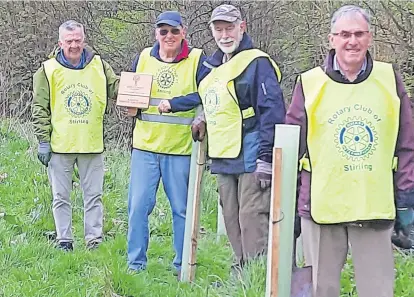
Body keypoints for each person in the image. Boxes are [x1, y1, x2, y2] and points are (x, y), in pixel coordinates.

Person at [285, 5, 414, 297]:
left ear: (370, 38)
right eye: (344, 34)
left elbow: (407, 143)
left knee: (378, 291)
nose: (351, 41)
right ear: (331, 39)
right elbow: (291, 145)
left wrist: (406, 198)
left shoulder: (389, 80)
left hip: (374, 205)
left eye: (358, 33)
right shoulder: (309, 84)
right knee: (320, 290)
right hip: (320, 207)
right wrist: (289, 204)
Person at [158, 4, 286, 270]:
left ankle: (259, 276)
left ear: (242, 27)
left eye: (229, 28)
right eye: (219, 29)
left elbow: (272, 110)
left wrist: (266, 158)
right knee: (231, 219)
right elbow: (208, 99)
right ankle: (242, 273)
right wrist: (201, 117)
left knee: (251, 218)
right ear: (212, 32)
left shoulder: (256, 62)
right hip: (223, 154)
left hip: (252, 153)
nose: (224, 35)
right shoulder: (214, 66)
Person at [126, 11, 206, 278]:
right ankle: (135, 265)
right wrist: (128, 106)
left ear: (183, 32)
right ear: (155, 34)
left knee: (181, 210)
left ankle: (182, 265)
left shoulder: (197, 59)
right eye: (163, 32)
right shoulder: (143, 57)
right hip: (145, 147)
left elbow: (208, 92)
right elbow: (130, 95)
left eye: (173, 31)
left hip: (180, 150)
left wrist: (175, 104)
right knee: (137, 207)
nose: (168, 36)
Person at [32, 20, 119, 251]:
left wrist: (139, 87)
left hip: (91, 143)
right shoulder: (47, 69)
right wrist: (43, 140)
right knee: (60, 196)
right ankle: (64, 240)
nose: (74, 45)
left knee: (94, 196)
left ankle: (94, 240)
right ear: (60, 42)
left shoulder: (99, 65)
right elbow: (39, 107)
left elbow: (117, 88)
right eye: (69, 41)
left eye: (77, 40)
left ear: (84, 40)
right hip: (60, 145)